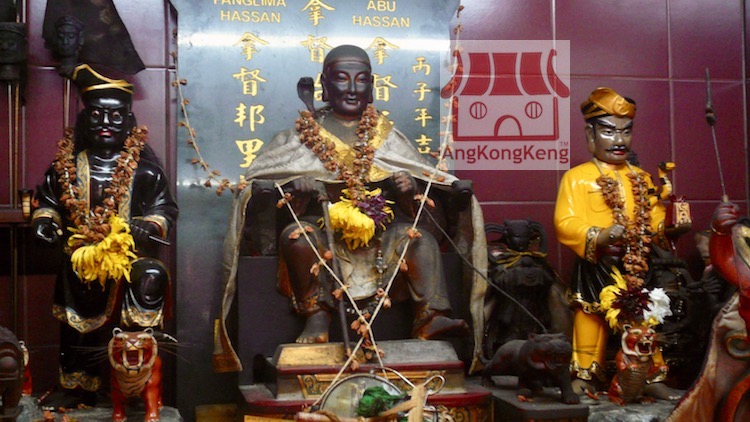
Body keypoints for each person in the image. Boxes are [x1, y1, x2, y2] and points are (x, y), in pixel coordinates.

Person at [215, 45, 486, 371]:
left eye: (361, 79)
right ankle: (316, 315)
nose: (353, 88)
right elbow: (258, 191)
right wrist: (295, 191)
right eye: (342, 78)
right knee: (298, 237)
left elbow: (427, 188)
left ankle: (431, 316)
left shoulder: (387, 136)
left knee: (420, 241)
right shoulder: (299, 137)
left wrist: (408, 190)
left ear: (371, 86)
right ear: (324, 86)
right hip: (322, 229)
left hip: (381, 233)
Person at [32, 64, 178, 406]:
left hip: (129, 258)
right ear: (85, 120)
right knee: (77, 308)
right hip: (81, 258)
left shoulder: (144, 171)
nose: (106, 124)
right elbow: (48, 202)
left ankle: (135, 384)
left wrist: (150, 225)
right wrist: (45, 221)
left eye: (115, 117)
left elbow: (165, 208)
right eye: (97, 115)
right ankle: (77, 385)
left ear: (128, 122)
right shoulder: (66, 168)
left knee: (151, 276)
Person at [554, 87, 683, 394]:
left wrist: (669, 228)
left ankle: (651, 377)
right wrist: (600, 235)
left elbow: (653, 218)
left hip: (636, 261)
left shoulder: (641, 177)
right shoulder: (577, 177)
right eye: (609, 132)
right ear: (590, 134)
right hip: (597, 260)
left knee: (646, 318)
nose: (619, 140)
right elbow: (564, 222)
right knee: (589, 316)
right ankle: (585, 375)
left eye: (626, 132)